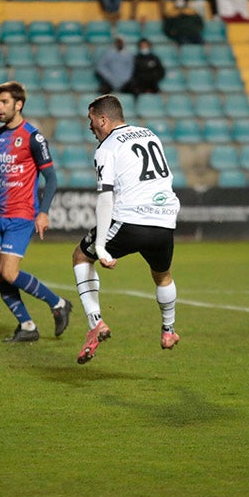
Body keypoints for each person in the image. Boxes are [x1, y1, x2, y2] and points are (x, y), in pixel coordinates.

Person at [73, 94, 182, 364]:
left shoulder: (106, 148)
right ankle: (168, 330)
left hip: (131, 220)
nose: (90, 127)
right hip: (165, 220)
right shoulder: (150, 134)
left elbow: (106, 197)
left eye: (91, 120)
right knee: (163, 275)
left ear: (103, 119)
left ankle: (95, 323)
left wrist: (100, 245)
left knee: (81, 255)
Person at [0, 82, 71, 343]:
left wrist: (43, 211)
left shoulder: (33, 137)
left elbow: (51, 178)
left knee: (10, 273)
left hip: (22, 215)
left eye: (4, 102)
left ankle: (58, 303)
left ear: (18, 104)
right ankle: (26, 326)